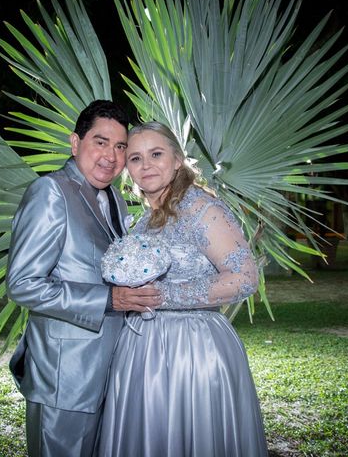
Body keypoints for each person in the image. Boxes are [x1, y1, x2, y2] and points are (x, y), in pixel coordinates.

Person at [99, 121, 269, 456]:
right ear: (127, 169)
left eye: (156, 154)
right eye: (135, 158)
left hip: (192, 350)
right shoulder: (146, 218)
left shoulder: (201, 208)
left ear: (177, 160)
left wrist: (161, 297)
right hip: (143, 349)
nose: (145, 165)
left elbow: (244, 277)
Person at [6, 100, 161, 457]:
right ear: (75, 143)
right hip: (65, 377)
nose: (111, 155)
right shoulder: (50, 192)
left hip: (113, 370)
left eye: (120, 146)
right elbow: (23, 284)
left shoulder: (116, 202)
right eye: (100, 142)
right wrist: (109, 300)